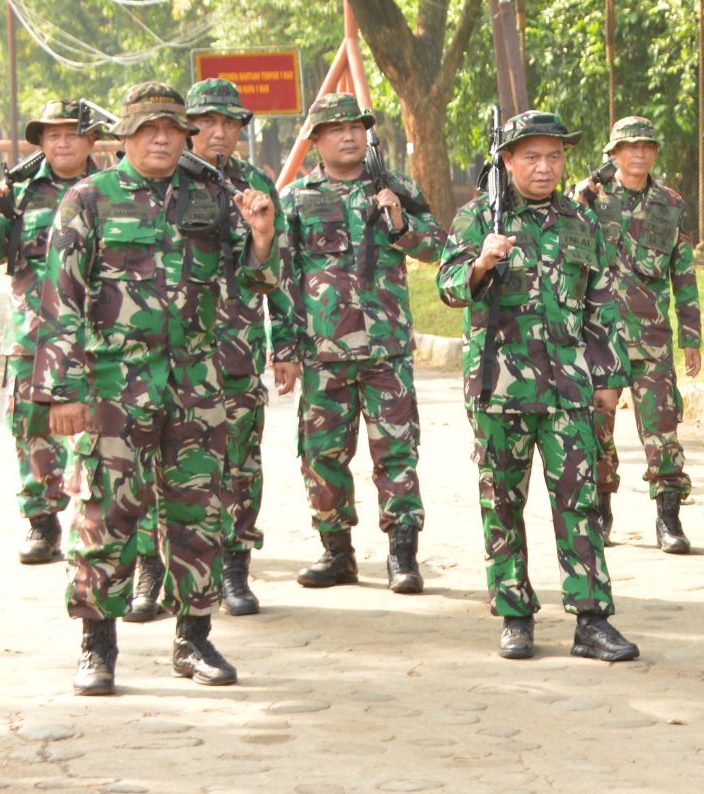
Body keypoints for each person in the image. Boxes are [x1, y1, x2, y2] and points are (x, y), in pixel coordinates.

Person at [33, 82, 277, 695]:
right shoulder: (89, 201)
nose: (162, 139)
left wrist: (261, 235)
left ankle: (193, 637)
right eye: (148, 130)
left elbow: (248, 284)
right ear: (124, 139)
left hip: (196, 386)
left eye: (172, 129)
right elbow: (59, 299)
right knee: (105, 516)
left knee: (198, 515)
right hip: (114, 389)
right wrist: (60, 392)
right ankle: (97, 644)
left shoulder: (211, 199)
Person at [437, 110, 638, 662]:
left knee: (582, 501)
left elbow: (602, 300)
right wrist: (481, 263)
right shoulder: (479, 216)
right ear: (507, 160)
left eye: (554, 156)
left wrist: (609, 377)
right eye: (531, 157)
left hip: (569, 387)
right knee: (501, 502)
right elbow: (449, 285)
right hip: (498, 387)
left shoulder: (581, 221)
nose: (544, 167)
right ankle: (515, 615)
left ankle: (592, 619)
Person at [272, 93, 444, 595]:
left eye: (356, 127)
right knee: (321, 454)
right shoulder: (297, 200)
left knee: (397, 452)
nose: (349, 136)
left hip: (386, 349)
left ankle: (402, 554)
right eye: (335, 129)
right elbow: (283, 278)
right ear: (316, 141)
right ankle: (337, 552)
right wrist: (283, 349)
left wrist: (400, 222)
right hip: (323, 353)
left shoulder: (396, 188)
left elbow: (439, 248)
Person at [0, 100, 99, 564]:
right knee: (29, 427)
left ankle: (105, 522)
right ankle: (42, 524)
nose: (62, 142)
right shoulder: (19, 193)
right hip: (31, 331)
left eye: (71, 133)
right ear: (40, 142)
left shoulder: (111, 189)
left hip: (97, 330)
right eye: (52, 135)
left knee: (102, 429)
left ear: (90, 139)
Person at [574, 116, 702, 554]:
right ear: (612, 154)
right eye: (630, 147)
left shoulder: (670, 203)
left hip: (652, 336)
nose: (640, 153)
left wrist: (691, 336)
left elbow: (683, 273)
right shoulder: (588, 200)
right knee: (597, 428)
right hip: (599, 335)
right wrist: (575, 202)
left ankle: (668, 519)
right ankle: (602, 512)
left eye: (647, 145)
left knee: (663, 431)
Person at [185, 78, 284, 616]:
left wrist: (262, 237)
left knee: (240, 463)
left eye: (230, 123)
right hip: (174, 353)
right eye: (208, 122)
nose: (219, 132)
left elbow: (273, 276)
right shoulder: (168, 183)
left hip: (238, 349)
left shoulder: (256, 183)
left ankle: (234, 570)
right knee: (172, 461)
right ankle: (159, 570)